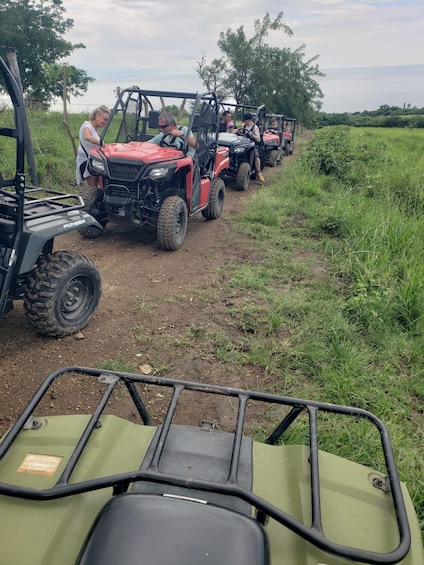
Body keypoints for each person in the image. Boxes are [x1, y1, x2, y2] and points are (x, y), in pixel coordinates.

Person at [76, 105, 110, 186]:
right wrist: (101, 143)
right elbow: (87, 136)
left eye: (107, 121)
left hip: (95, 161)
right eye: (104, 119)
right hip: (87, 161)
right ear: (97, 115)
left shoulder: (96, 130)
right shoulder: (87, 125)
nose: (105, 122)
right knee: (92, 187)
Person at [236, 112, 265, 183]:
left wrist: (251, 134)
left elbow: (258, 139)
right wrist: (238, 132)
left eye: (245, 120)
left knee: (256, 156)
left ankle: (258, 172)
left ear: (249, 120)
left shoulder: (255, 127)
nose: (244, 122)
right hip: (243, 143)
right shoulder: (243, 126)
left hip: (253, 144)